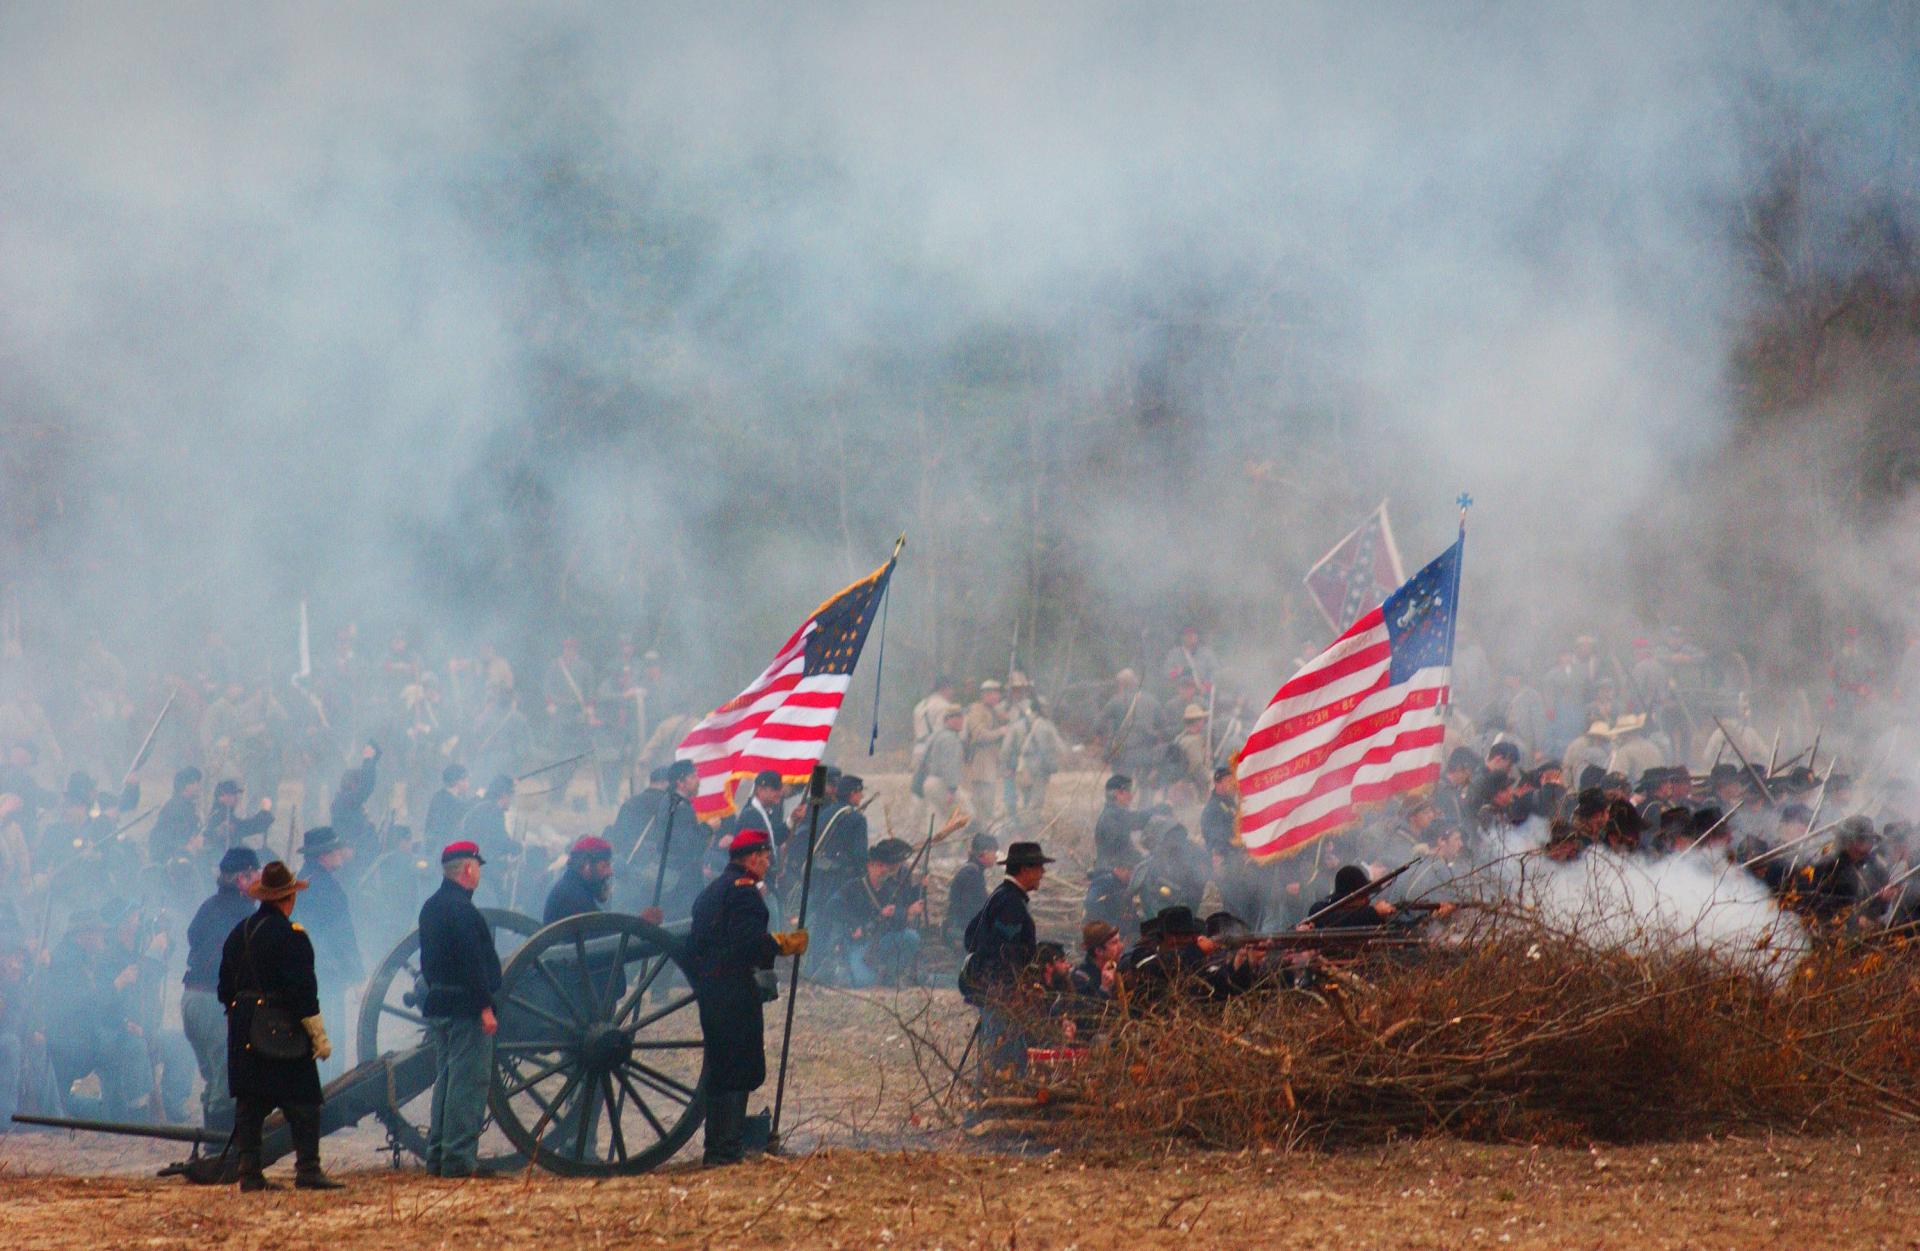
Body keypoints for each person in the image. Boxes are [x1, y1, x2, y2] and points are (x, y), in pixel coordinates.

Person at [217, 860, 343, 1191]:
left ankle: (250, 1173)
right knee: (303, 1101)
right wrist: (318, 1035)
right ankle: (308, 1169)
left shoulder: (239, 933)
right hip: (283, 1026)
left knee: (251, 1103)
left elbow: (223, 989)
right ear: (289, 897)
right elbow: (303, 991)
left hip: (244, 1026)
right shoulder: (292, 937)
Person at [686, 826, 807, 1166]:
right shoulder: (742, 892)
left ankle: (719, 1146)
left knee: (722, 1065)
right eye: (765, 857)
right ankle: (726, 1149)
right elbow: (748, 943)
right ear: (752, 858)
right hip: (735, 990)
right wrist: (785, 943)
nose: (768, 862)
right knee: (738, 1067)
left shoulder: (714, 890)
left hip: (713, 989)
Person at [418, 840, 503, 1179]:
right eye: (477, 866)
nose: (478, 872)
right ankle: (458, 1159)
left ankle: (438, 1155)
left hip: (440, 1002)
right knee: (467, 1083)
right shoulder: (463, 910)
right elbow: (472, 964)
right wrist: (484, 1006)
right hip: (466, 1006)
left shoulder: (432, 906)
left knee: (446, 1080)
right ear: (468, 868)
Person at [182, 847, 260, 1129]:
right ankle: (220, 1149)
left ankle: (217, 1145)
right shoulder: (244, 914)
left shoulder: (210, 905)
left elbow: (192, 936)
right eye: (256, 876)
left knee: (214, 1077)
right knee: (227, 1079)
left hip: (192, 999)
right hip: (214, 1003)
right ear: (242, 878)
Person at [964, 840, 1050, 1082]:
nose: (1042, 873)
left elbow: (972, 936)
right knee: (1001, 1058)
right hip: (1000, 993)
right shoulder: (1010, 903)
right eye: (1039, 867)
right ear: (1025, 870)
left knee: (1001, 1054)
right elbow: (1004, 955)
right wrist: (1009, 990)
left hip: (994, 990)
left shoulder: (1003, 897)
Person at [296, 826, 362, 1079]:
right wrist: (357, 976)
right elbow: (342, 936)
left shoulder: (298, 883)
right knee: (327, 1036)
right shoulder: (326, 888)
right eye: (335, 850)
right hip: (326, 976)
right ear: (324, 855)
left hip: (302, 974)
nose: (340, 855)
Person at [827, 837, 924, 987]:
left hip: (880, 942)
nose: (882, 870)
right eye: (878, 866)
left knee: (911, 938)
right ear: (869, 866)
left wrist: (899, 913)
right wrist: (854, 925)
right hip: (857, 945)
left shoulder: (890, 889)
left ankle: (891, 975)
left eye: (885, 866)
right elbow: (833, 906)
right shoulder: (853, 887)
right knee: (865, 982)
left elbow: (898, 920)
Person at [943, 832, 997, 946]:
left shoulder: (975, 871)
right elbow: (970, 909)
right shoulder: (971, 874)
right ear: (984, 853)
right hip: (961, 928)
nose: (996, 856)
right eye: (994, 852)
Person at [543, 835, 613, 923]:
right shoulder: (574, 899)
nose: (610, 872)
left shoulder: (571, 889)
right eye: (604, 866)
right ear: (586, 865)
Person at [1093, 775, 1157, 868]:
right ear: (1118, 794)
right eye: (1128, 792)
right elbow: (1123, 854)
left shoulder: (1113, 814)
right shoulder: (1112, 817)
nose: (1131, 797)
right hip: (1112, 875)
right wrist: (1162, 809)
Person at [423, 764, 473, 847]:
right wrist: (478, 798)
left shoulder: (442, 796)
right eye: (466, 780)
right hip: (441, 849)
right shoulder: (443, 799)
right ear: (457, 782)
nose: (468, 784)